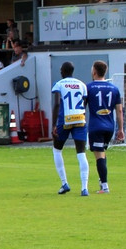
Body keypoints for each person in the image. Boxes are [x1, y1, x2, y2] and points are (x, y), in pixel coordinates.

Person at [51, 61, 90, 196]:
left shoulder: (59, 84)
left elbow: (57, 104)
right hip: (79, 118)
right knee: (81, 153)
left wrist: (54, 124)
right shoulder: (82, 84)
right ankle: (84, 188)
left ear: (62, 71)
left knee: (57, 150)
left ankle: (64, 183)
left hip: (65, 119)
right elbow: (84, 103)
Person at [87, 60, 124, 194]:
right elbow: (119, 111)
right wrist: (121, 129)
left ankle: (104, 186)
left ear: (94, 72)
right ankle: (102, 181)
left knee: (99, 156)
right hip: (109, 127)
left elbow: (82, 107)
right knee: (102, 153)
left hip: (96, 127)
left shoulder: (88, 87)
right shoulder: (114, 89)